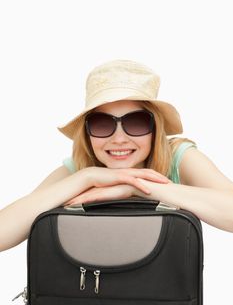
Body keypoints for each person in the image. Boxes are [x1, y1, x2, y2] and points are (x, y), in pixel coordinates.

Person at [1, 59, 233, 252]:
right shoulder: (80, 168)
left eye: (136, 122)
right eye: (102, 124)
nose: (119, 138)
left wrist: (135, 187)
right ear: (87, 133)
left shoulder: (179, 157)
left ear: (155, 128)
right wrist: (87, 177)